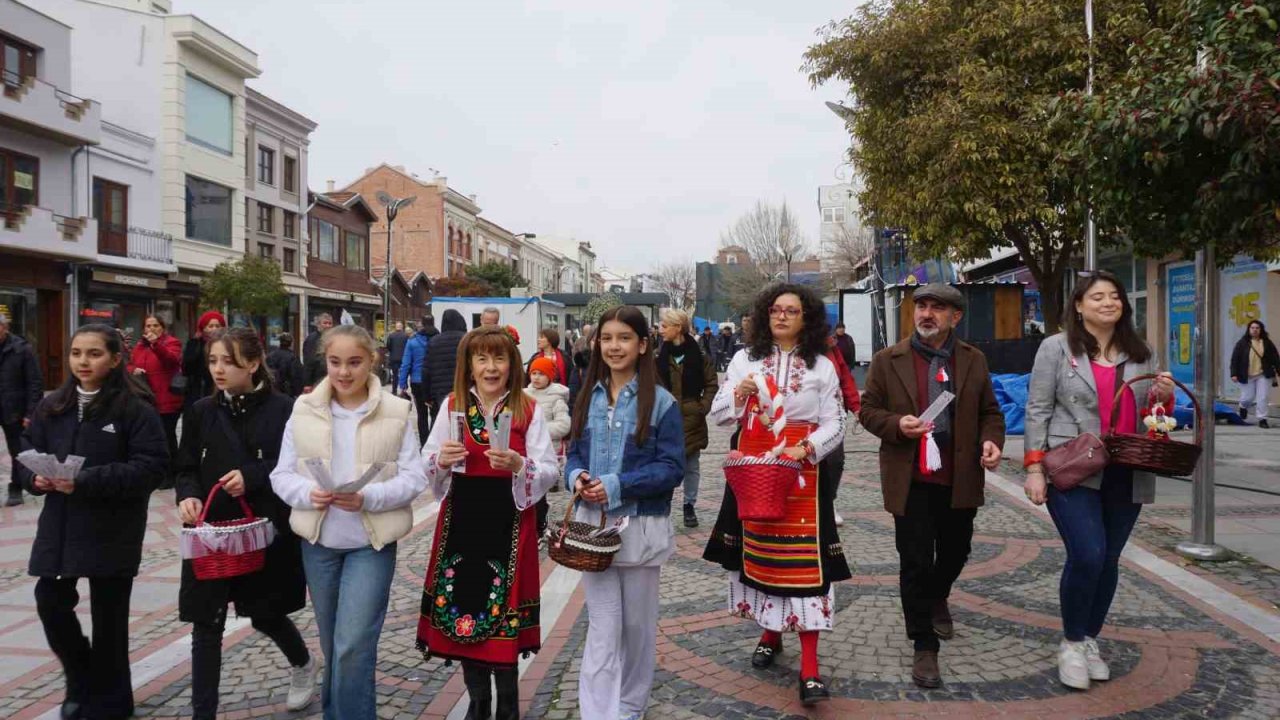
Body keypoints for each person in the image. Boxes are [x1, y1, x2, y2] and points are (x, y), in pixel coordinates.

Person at [1023, 271, 1175, 691]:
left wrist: (1163, 397)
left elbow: (1153, 414)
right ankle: (1072, 643)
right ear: (1078, 305)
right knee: (1088, 553)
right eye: (1097, 297)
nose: (1108, 303)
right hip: (1074, 465)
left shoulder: (1141, 352)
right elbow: (1037, 409)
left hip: (1128, 468)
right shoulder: (1056, 348)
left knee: (1108, 559)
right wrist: (1034, 468)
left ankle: (1090, 638)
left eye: (1115, 296)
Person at [701, 284, 849, 707]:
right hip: (754, 470)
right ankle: (769, 633)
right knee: (761, 557)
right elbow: (719, 415)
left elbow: (836, 422)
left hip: (802, 472)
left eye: (792, 311)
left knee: (804, 566)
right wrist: (739, 394)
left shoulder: (821, 365)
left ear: (807, 318)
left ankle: (810, 668)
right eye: (776, 310)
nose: (782, 316)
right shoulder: (744, 360)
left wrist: (805, 449)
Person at [270, 325, 427, 719]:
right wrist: (308, 493)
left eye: (354, 362)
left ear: (371, 360)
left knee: (353, 644)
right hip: (319, 542)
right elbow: (281, 474)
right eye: (335, 362)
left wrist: (369, 497)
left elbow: (414, 478)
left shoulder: (396, 410)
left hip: (370, 543)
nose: (343, 372)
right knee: (333, 644)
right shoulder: (304, 409)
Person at [18, 324, 168, 720]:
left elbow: (151, 467)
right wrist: (33, 478)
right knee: (50, 602)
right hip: (61, 524)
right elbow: (27, 450)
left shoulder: (135, 408)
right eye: (76, 353)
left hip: (113, 524)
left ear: (115, 359)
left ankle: (113, 701)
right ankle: (80, 678)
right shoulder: (53, 406)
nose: (83, 361)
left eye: (94, 353)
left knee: (109, 618)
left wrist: (84, 480)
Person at [859, 283, 1005, 688]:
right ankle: (924, 643)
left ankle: (937, 595)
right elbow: (868, 410)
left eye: (937, 308)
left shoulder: (972, 359)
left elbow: (990, 412)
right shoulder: (888, 360)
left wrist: (992, 440)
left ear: (955, 317)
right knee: (915, 561)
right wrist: (896, 424)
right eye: (921, 305)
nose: (926, 313)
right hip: (911, 480)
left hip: (959, 478)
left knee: (956, 552)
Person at [417, 327, 560, 720]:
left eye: (499, 358)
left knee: (503, 611)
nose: (491, 367)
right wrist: (440, 460)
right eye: (481, 359)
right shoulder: (452, 406)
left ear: (512, 364)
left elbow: (549, 469)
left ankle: (508, 706)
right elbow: (426, 461)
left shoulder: (528, 409)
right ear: (469, 365)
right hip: (461, 522)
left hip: (509, 522)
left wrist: (520, 465)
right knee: (464, 604)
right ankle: (478, 701)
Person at [175, 328, 315, 719]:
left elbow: (298, 464)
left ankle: (302, 663)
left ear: (253, 364)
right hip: (211, 534)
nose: (218, 369)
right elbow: (185, 467)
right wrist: (188, 495)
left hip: (263, 530)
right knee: (206, 623)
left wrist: (252, 476)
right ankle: (203, 712)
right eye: (213, 361)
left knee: (265, 613)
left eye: (229, 361)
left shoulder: (285, 409)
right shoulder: (201, 411)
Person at [567, 306, 685, 720]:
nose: (614, 346)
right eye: (607, 338)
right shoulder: (587, 395)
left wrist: (618, 484)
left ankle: (630, 706)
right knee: (603, 626)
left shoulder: (662, 403)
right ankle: (598, 712)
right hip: (592, 532)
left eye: (624, 338)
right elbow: (573, 453)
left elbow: (672, 468)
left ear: (643, 345)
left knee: (636, 628)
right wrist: (577, 477)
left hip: (640, 528)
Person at [655, 308, 717, 528]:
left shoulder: (700, 356)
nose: (660, 330)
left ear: (678, 327)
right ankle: (664, 504)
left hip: (692, 417)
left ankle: (689, 505)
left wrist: (702, 407)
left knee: (691, 466)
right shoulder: (658, 356)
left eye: (665, 326)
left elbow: (711, 384)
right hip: (665, 417)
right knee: (666, 465)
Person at [0, 314, 44, 506]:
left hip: (14, 410)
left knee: (17, 451)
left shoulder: (22, 349)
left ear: (5, 327)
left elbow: (35, 383)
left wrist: (31, 413)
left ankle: (16, 488)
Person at [527, 354, 571, 535]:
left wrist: (539, 429)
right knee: (528, 488)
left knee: (540, 490)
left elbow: (563, 425)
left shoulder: (557, 398)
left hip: (548, 451)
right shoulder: (524, 395)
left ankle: (539, 524)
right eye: (533, 373)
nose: (536, 377)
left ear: (550, 376)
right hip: (526, 450)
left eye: (541, 374)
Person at [824, 332, 862, 528]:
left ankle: (828, 501)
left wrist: (856, 407)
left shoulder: (832, 349)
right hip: (801, 416)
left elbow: (845, 378)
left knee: (835, 460)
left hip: (833, 415)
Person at [1231, 319, 1280, 428]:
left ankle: (1262, 419)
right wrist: (1233, 373)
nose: (1255, 330)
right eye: (1252, 328)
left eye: (1257, 328)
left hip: (1263, 374)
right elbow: (1235, 359)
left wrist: (1278, 369)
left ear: (1261, 330)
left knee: (1263, 397)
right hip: (1246, 375)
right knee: (1248, 397)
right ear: (1249, 330)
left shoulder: (1267, 342)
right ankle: (1243, 406)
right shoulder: (1242, 343)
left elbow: (1275, 357)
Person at [399, 315, 436, 440]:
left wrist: (402, 384)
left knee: (421, 413)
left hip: (417, 381)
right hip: (433, 381)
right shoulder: (437, 339)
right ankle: (433, 440)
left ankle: (424, 442)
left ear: (422, 325)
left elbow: (406, 364)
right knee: (435, 413)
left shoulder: (412, 342)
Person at [424, 309, 468, 414]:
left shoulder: (434, 341)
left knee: (441, 419)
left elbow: (426, 371)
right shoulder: (466, 340)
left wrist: (427, 396)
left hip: (439, 391)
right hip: (463, 388)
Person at [182, 311, 225, 411]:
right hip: (198, 390)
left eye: (217, 326)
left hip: (219, 387)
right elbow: (186, 368)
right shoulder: (194, 343)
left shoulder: (227, 344)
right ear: (203, 328)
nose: (214, 329)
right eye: (210, 326)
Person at [266, 333, 306, 399]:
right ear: (291, 343)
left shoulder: (271, 356)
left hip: (272, 391)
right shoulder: (293, 358)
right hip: (287, 393)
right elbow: (297, 377)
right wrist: (298, 393)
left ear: (280, 342)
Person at [302, 313, 335, 389]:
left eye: (330, 323)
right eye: (325, 323)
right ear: (318, 325)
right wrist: (308, 383)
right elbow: (309, 362)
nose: (328, 326)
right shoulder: (312, 339)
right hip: (317, 379)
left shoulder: (332, 338)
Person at [385, 321, 409, 393]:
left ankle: (394, 390)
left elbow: (388, 346)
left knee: (395, 375)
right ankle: (403, 391)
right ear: (402, 327)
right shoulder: (406, 336)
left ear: (396, 327)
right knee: (403, 374)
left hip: (394, 358)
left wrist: (392, 351)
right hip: (403, 358)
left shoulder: (391, 335)